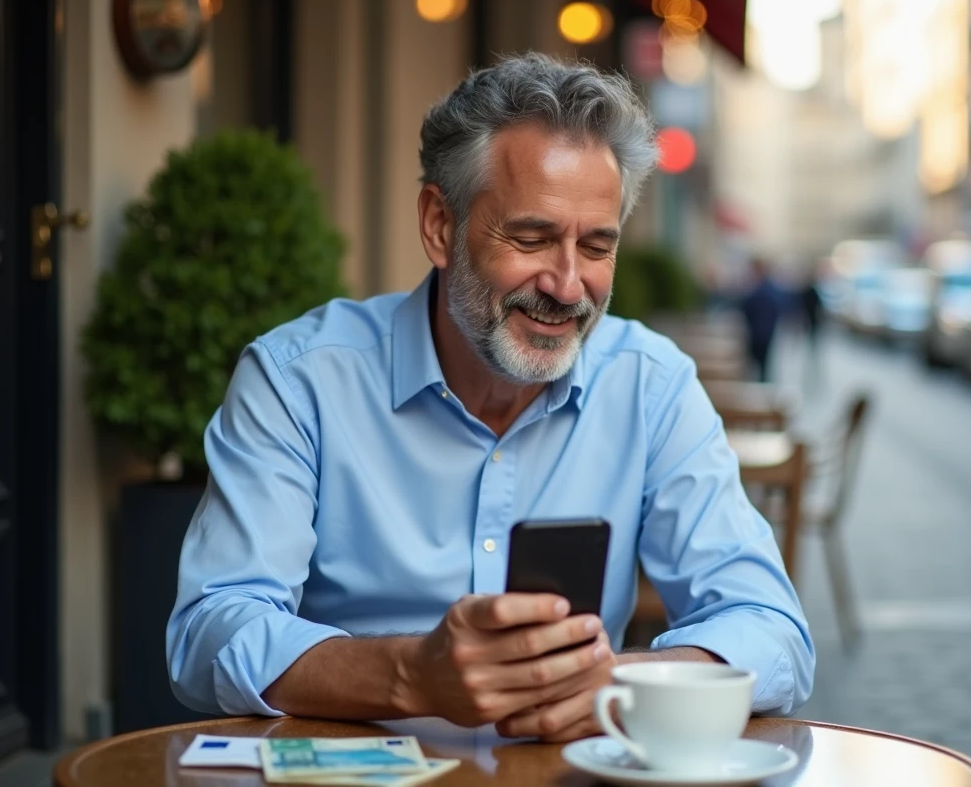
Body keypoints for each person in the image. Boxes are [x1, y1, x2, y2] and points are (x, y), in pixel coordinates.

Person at [166, 53, 814, 743]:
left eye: (596, 246)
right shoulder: (298, 381)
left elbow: (773, 629)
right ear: (440, 227)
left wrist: (622, 684)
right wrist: (411, 674)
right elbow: (210, 633)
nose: (568, 285)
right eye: (532, 238)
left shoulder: (650, 386)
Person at [738, 257, 787, 381]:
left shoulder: (759, 288)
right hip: (765, 331)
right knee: (763, 364)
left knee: (759, 364)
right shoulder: (770, 288)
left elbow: (746, 307)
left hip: (759, 332)